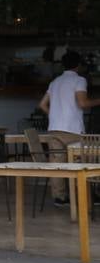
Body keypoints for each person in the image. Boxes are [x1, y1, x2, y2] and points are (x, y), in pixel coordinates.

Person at [39, 50, 98, 206]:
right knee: (84, 161)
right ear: (78, 65)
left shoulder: (55, 82)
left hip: (55, 128)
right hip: (72, 129)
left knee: (57, 163)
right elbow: (83, 103)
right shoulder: (79, 80)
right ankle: (88, 195)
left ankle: (60, 197)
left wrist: (56, 115)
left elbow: (42, 105)